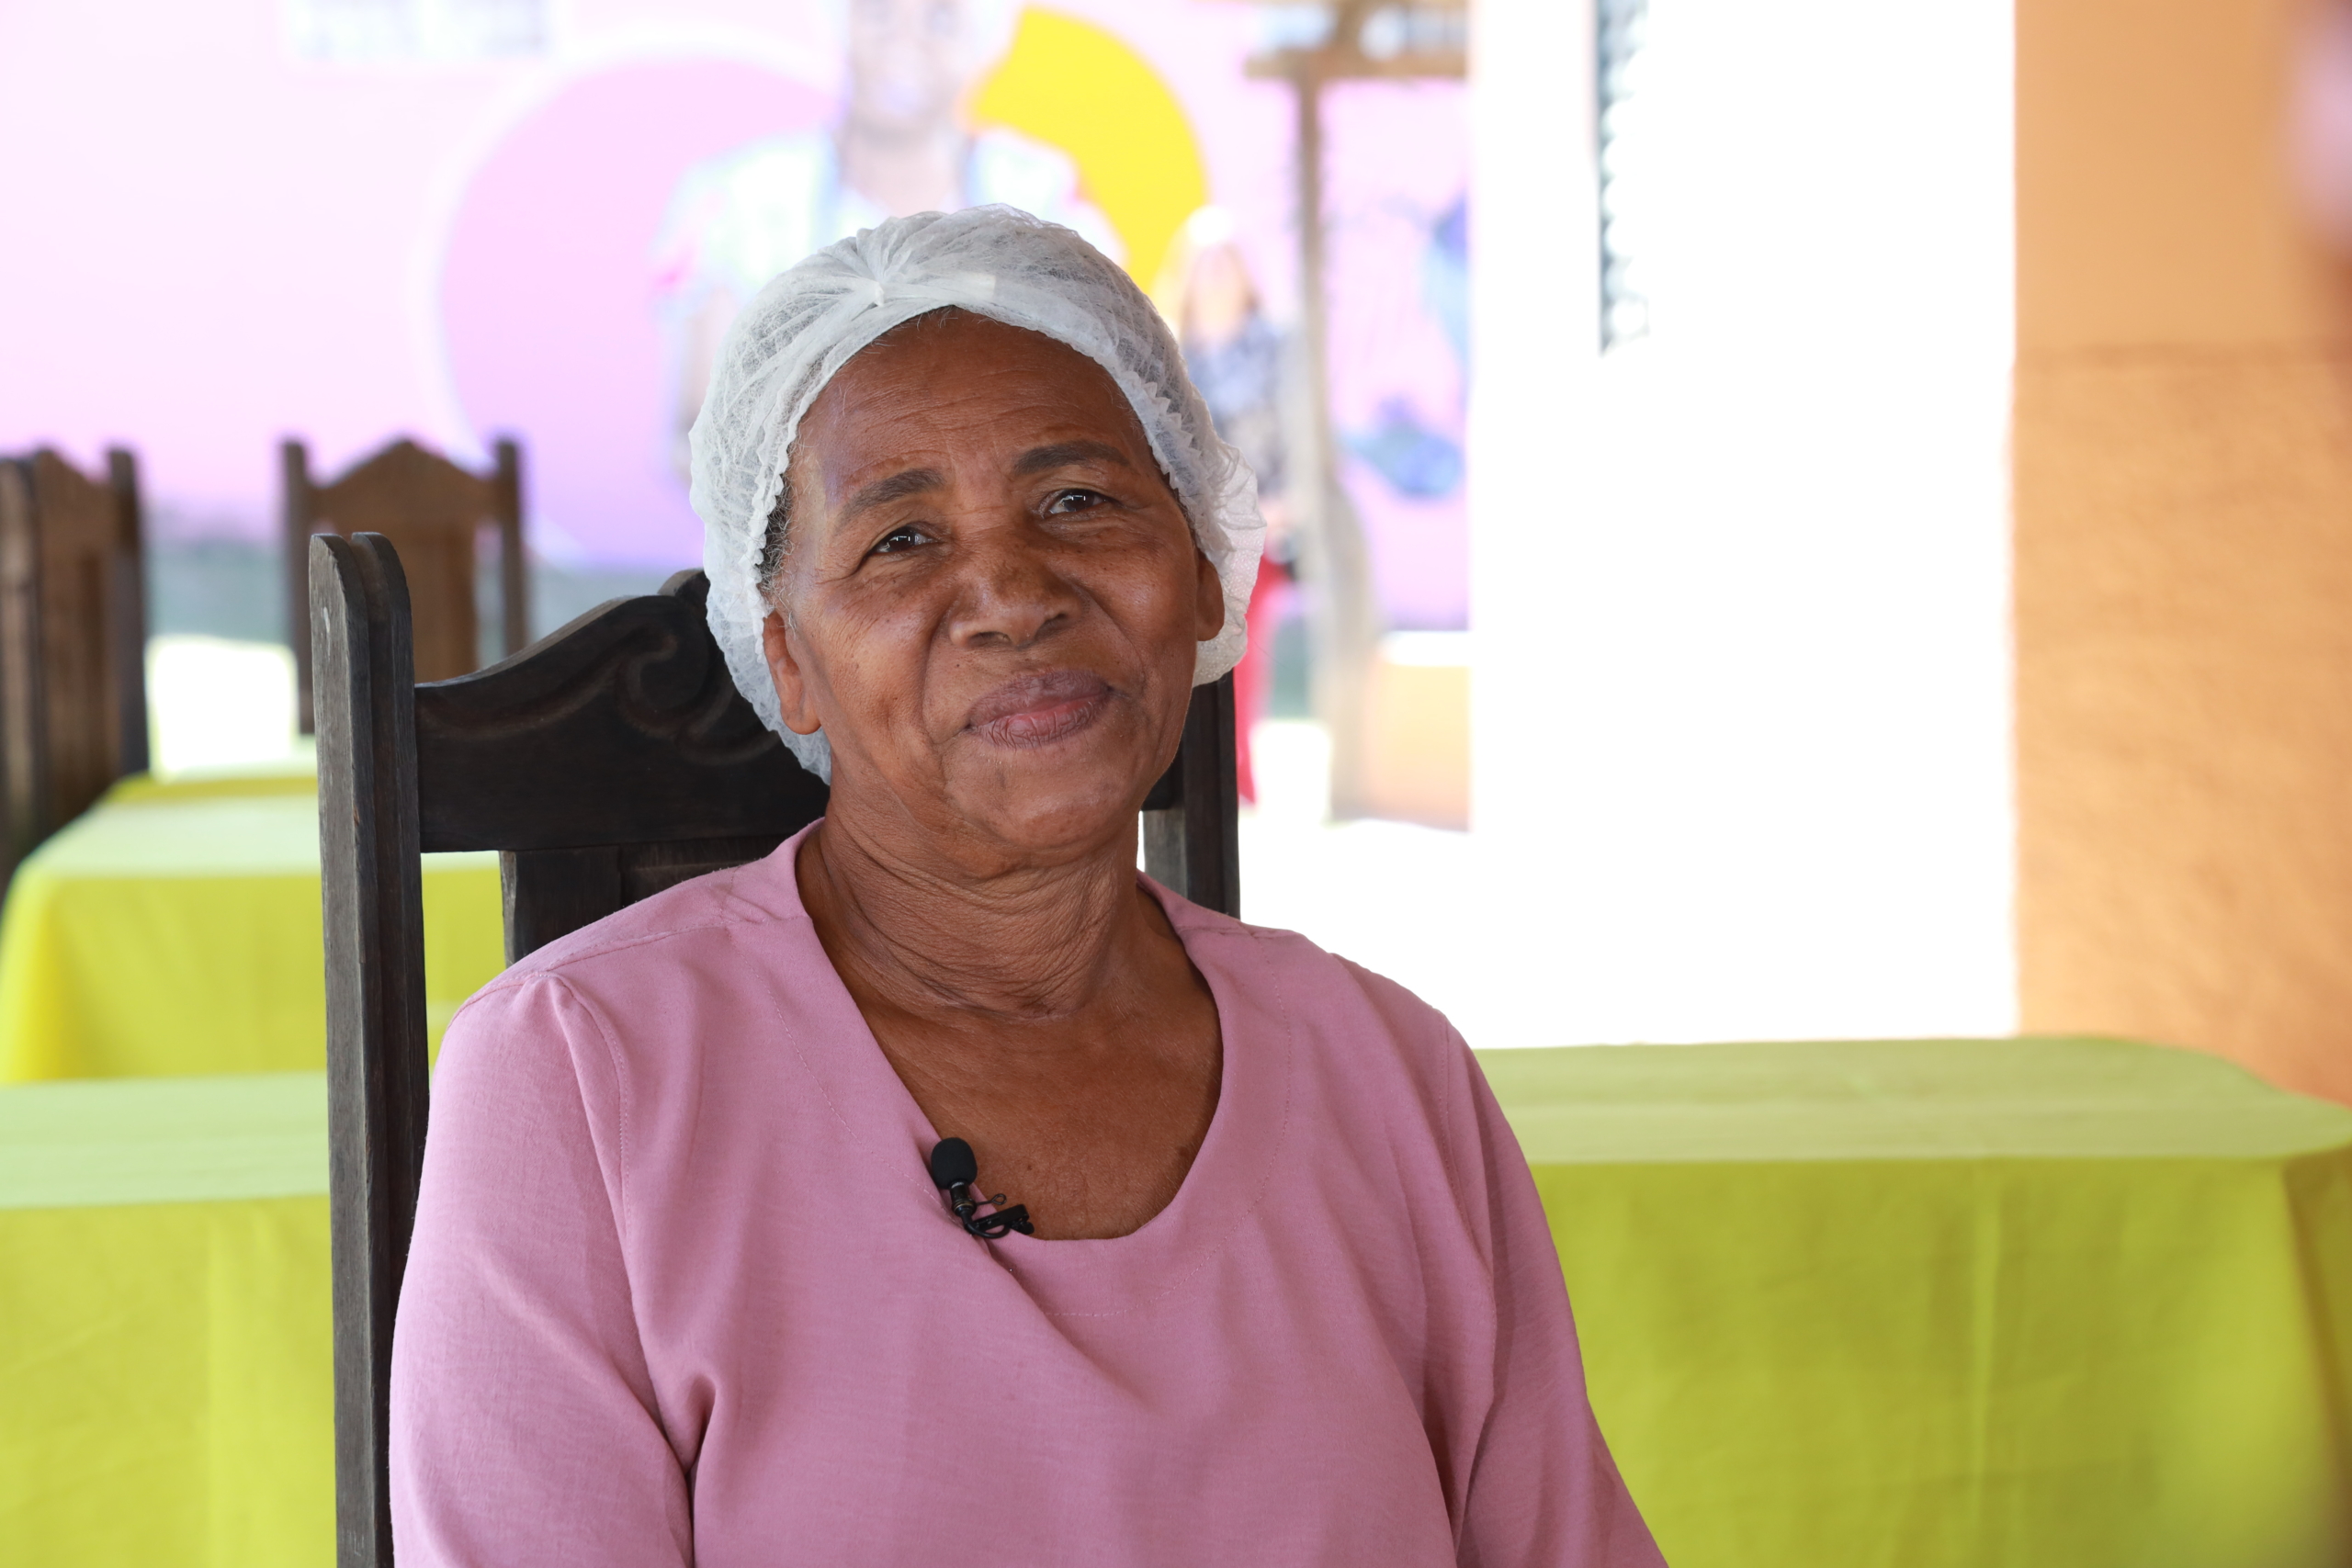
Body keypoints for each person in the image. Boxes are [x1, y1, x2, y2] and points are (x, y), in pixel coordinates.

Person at [390, 207, 1664, 1566]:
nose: (1012, 593)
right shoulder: (580, 1075)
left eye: (1077, 501)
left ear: (1201, 571)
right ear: (789, 662)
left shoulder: (1386, 1069)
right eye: (900, 539)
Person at [651, 0, 1119, 478]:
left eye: (941, 18)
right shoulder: (742, 196)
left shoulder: (1044, 195)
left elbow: (1101, 406)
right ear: (839, 22)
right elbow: (697, 440)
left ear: (987, 38)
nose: (906, 38)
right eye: (879, 11)